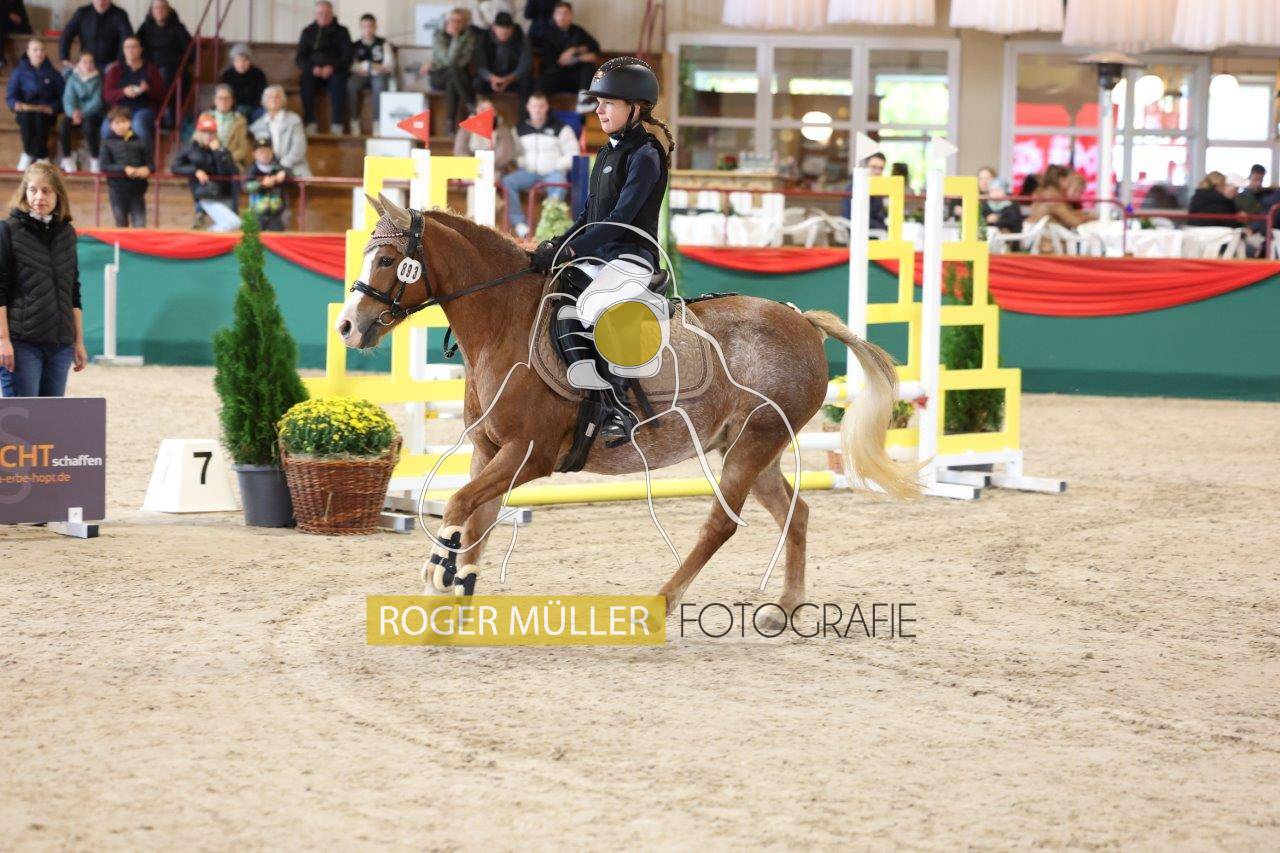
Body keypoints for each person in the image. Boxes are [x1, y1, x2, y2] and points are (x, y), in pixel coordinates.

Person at [529, 57, 674, 445]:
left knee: (592, 306)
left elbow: (618, 220)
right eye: (598, 102)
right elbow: (589, 215)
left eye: (608, 103)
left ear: (635, 107)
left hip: (631, 258)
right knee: (556, 302)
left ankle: (618, 409)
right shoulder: (607, 152)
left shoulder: (646, 155)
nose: (599, 110)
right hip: (598, 259)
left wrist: (571, 250)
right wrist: (557, 243)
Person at [0, 162, 87, 398]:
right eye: (33, 190)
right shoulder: (8, 230)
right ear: (24, 193)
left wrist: (78, 341)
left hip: (61, 346)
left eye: (46, 190)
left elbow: (73, 292)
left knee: (51, 418)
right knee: (23, 418)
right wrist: (3, 340)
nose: (39, 197)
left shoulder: (68, 233)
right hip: (21, 344)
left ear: (58, 194)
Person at [503, 91, 576, 237]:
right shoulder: (518, 129)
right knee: (507, 181)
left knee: (560, 183)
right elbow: (512, 152)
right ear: (528, 107)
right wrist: (519, 161)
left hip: (553, 173)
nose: (537, 109)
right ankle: (519, 224)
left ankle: (548, 222)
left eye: (541, 106)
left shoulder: (562, 128)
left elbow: (574, 153)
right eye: (534, 106)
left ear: (547, 107)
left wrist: (558, 165)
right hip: (528, 172)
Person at [171, 112, 241, 232]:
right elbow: (175, 167)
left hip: (225, 193)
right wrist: (195, 171)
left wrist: (218, 152)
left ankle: (205, 235)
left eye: (211, 132)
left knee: (231, 226)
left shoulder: (222, 149)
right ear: (198, 133)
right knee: (234, 222)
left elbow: (231, 172)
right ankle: (203, 235)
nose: (208, 135)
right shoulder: (190, 148)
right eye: (204, 132)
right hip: (206, 192)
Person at [295, 0, 352, 135]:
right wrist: (313, 68)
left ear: (332, 14)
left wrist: (332, 67)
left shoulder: (342, 31)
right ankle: (310, 122)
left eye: (327, 13)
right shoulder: (307, 31)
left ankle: (337, 123)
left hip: (335, 71)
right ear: (315, 14)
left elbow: (347, 56)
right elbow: (300, 57)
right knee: (305, 82)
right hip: (313, 71)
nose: (324, 16)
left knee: (339, 83)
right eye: (320, 13)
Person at [6, 38, 64, 170]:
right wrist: (15, 104)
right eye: (35, 50)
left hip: (46, 113)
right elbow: (11, 96)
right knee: (27, 120)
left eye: (42, 50)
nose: (39, 53)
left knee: (40, 120)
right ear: (28, 52)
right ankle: (35, 155)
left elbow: (63, 98)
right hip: (25, 112)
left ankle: (36, 155)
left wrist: (53, 108)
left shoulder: (53, 73)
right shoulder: (19, 72)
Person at [418, 7, 476, 135]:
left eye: (459, 21)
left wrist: (445, 62)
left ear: (464, 23)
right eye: (452, 20)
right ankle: (471, 104)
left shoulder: (469, 37)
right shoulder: (438, 35)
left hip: (459, 76)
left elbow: (464, 60)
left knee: (452, 79)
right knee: (453, 71)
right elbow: (448, 61)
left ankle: (450, 123)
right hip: (439, 76)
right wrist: (456, 39)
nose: (455, 24)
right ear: (447, 21)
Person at [536, 2, 599, 113]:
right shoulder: (547, 33)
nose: (562, 17)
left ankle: (583, 101)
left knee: (588, 67)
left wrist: (574, 50)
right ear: (554, 16)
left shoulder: (577, 31)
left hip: (575, 77)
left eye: (565, 13)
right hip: (555, 75)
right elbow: (559, 61)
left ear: (571, 15)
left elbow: (594, 48)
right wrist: (577, 57)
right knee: (541, 82)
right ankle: (541, 112)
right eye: (559, 13)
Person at [135, 0, 190, 127]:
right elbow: (137, 47)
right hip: (150, 68)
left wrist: (173, 62)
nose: (159, 10)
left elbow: (190, 52)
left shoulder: (178, 27)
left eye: (163, 7)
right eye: (156, 8)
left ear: (168, 10)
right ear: (151, 11)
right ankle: (158, 116)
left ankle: (167, 115)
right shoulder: (144, 28)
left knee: (165, 73)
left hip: (173, 70)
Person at [102, 35, 162, 145]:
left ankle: (147, 155)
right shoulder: (115, 69)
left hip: (143, 108)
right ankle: (110, 155)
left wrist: (148, 90)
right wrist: (123, 92)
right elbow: (107, 94)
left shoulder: (151, 69)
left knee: (138, 125)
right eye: (127, 47)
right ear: (123, 50)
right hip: (120, 110)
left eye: (134, 47)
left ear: (140, 50)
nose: (130, 50)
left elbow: (161, 94)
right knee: (106, 129)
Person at [99, 105, 151, 227]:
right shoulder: (107, 143)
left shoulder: (140, 141)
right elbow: (104, 166)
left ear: (130, 122)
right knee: (121, 225)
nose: (121, 125)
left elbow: (151, 164)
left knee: (140, 225)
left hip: (137, 191)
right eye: (117, 123)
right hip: (117, 191)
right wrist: (124, 169)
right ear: (111, 125)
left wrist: (147, 169)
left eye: (123, 121)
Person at [347, 13, 394, 135]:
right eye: (364, 27)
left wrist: (373, 66)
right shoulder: (355, 45)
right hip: (361, 75)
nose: (367, 30)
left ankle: (377, 122)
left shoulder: (383, 43)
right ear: (360, 28)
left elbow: (389, 65)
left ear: (375, 27)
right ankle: (354, 121)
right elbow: (352, 65)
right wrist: (363, 67)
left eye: (370, 26)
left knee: (379, 85)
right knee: (351, 85)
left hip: (379, 75)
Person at [1028, 164, 1095, 250]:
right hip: (1044, 243)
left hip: (1039, 238)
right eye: (1070, 180)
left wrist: (1084, 215)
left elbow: (1065, 214)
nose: (1071, 182)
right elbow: (1073, 221)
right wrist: (1090, 218)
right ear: (1061, 180)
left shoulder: (1047, 192)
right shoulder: (1052, 197)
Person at [250, 85, 311, 178]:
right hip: (266, 170)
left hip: (293, 167)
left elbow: (299, 148)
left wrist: (281, 166)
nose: (274, 99)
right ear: (264, 101)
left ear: (283, 100)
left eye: (277, 96)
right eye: (270, 97)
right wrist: (273, 169)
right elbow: (261, 151)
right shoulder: (257, 125)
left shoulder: (294, 120)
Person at [60, 51, 104, 173]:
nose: (88, 65)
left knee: (89, 127)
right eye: (84, 62)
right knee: (63, 126)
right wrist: (73, 112)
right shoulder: (72, 79)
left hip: (92, 113)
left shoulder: (99, 79)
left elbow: (97, 101)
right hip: (74, 113)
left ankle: (95, 159)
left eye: (91, 62)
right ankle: (67, 158)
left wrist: (82, 113)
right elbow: (68, 99)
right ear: (78, 64)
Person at [475, 11, 532, 103]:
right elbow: (480, 65)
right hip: (491, 78)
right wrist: (492, 78)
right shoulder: (483, 39)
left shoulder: (521, 38)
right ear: (494, 27)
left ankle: (524, 112)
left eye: (508, 28)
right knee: (477, 83)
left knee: (526, 83)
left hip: (514, 78)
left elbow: (525, 64)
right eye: (501, 28)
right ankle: (483, 111)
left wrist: (509, 79)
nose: (504, 31)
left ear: (512, 29)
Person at [58, 0, 133, 70]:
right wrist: (65, 58)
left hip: (110, 65)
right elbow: (67, 35)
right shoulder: (82, 13)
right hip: (86, 64)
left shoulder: (120, 14)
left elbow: (127, 38)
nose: (100, 2)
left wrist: (119, 61)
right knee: (66, 74)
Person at [453, 94, 516, 167]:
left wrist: (487, 165)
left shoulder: (503, 130)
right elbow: (459, 150)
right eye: (482, 109)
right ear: (476, 110)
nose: (486, 113)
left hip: (495, 168)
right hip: (470, 167)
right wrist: (473, 164)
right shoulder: (465, 129)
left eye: (489, 109)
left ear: (495, 112)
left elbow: (504, 153)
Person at [243, 136, 289, 231]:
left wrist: (284, 174)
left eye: (267, 152)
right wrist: (262, 184)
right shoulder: (251, 169)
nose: (264, 155)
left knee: (277, 237)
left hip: (276, 213)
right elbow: (246, 186)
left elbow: (294, 175)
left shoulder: (278, 167)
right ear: (254, 154)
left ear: (272, 152)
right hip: (257, 213)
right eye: (261, 152)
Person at [840, 152, 887, 232]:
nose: (877, 172)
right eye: (874, 167)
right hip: (859, 231)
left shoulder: (876, 188)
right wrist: (884, 227)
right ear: (866, 167)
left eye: (881, 168)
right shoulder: (856, 187)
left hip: (873, 230)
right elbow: (855, 217)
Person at [220, 43, 266, 123]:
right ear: (233, 62)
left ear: (250, 61)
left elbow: (262, 95)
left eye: (245, 60)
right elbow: (224, 94)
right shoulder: (227, 75)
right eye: (238, 61)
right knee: (240, 111)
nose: (241, 64)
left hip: (255, 108)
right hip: (234, 108)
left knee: (265, 112)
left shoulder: (258, 74)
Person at [209, 83, 251, 169]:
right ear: (214, 100)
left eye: (227, 98)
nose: (224, 101)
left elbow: (243, 149)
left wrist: (226, 159)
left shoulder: (240, 121)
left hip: (232, 162)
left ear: (232, 101)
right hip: (210, 162)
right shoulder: (206, 117)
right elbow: (198, 142)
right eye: (220, 98)